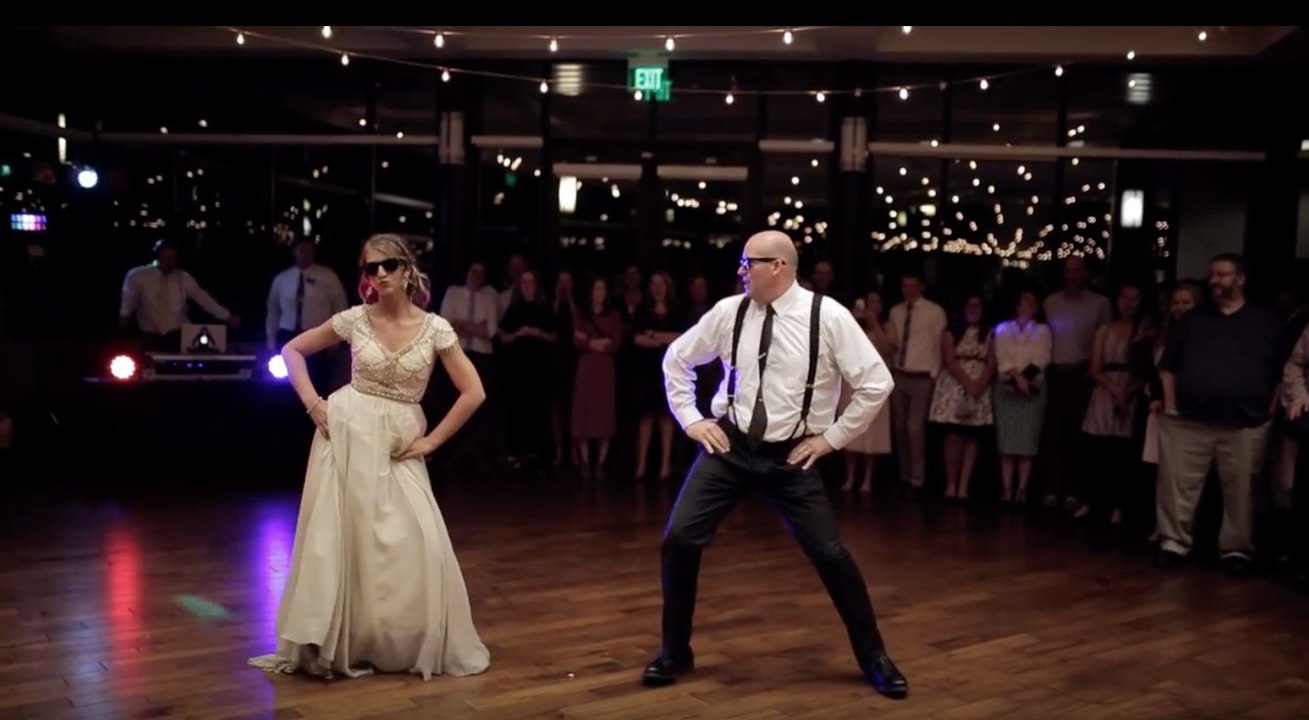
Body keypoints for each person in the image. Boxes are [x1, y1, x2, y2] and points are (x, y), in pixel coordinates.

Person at [643, 230, 908, 699]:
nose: (741, 271)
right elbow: (676, 360)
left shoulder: (827, 316)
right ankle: (674, 651)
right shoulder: (730, 311)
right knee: (680, 538)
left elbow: (876, 382)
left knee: (830, 554)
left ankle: (875, 658)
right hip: (731, 445)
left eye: (749, 263)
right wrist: (692, 421)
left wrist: (830, 439)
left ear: (778, 267)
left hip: (792, 454)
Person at [248, 233, 491, 680]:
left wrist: (433, 442)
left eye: (389, 265)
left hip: (399, 444)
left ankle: (394, 638)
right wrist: (313, 403)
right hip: (346, 432)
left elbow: (473, 392)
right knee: (341, 541)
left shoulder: (436, 328)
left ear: (407, 268)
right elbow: (291, 351)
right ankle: (343, 638)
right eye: (370, 268)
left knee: (413, 540)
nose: (380, 273)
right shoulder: (354, 319)